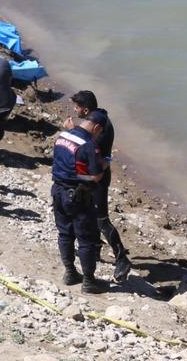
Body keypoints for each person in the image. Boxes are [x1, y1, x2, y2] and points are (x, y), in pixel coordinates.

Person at [66, 91, 131, 283]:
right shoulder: (96, 119)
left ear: (85, 110)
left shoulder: (99, 124)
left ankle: (122, 258)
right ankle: (94, 249)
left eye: (76, 107)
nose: (74, 110)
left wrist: (70, 131)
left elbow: (85, 147)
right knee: (89, 213)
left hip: (98, 177)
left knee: (102, 218)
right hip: (91, 174)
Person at [51, 110, 109, 293]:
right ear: (97, 127)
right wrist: (104, 165)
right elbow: (95, 176)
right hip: (77, 196)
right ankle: (89, 282)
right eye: (100, 132)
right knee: (87, 239)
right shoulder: (88, 145)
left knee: (65, 234)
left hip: (57, 191)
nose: (98, 135)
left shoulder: (63, 135)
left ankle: (69, 273)